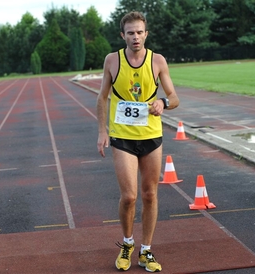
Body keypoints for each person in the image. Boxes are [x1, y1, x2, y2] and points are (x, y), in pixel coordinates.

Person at [96, 11, 180, 272]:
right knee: (130, 196)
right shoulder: (112, 60)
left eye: (139, 32)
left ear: (146, 34)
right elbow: (102, 98)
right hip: (122, 136)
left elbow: (174, 97)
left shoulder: (157, 61)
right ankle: (127, 243)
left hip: (151, 136)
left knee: (150, 194)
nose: (135, 37)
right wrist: (102, 131)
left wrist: (162, 102)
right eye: (130, 32)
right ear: (123, 35)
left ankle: (146, 250)